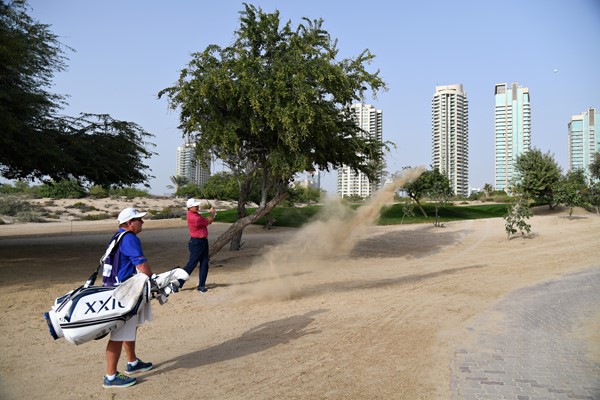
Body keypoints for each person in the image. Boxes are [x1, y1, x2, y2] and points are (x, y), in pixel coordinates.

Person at [102, 207, 154, 388]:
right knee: (118, 334)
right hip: (123, 291)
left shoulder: (118, 235)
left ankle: (132, 362)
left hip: (114, 289)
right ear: (129, 223)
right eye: (139, 219)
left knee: (128, 329)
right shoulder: (130, 238)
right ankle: (110, 376)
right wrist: (152, 281)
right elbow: (141, 264)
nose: (142, 222)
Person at [182, 198, 216, 293]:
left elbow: (207, 220)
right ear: (189, 207)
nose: (197, 206)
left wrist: (211, 216)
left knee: (204, 263)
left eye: (197, 205)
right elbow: (209, 221)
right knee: (191, 264)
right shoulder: (195, 218)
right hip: (197, 243)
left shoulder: (193, 214)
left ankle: (201, 286)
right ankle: (178, 283)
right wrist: (212, 214)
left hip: (202, 242)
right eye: (195, 206)